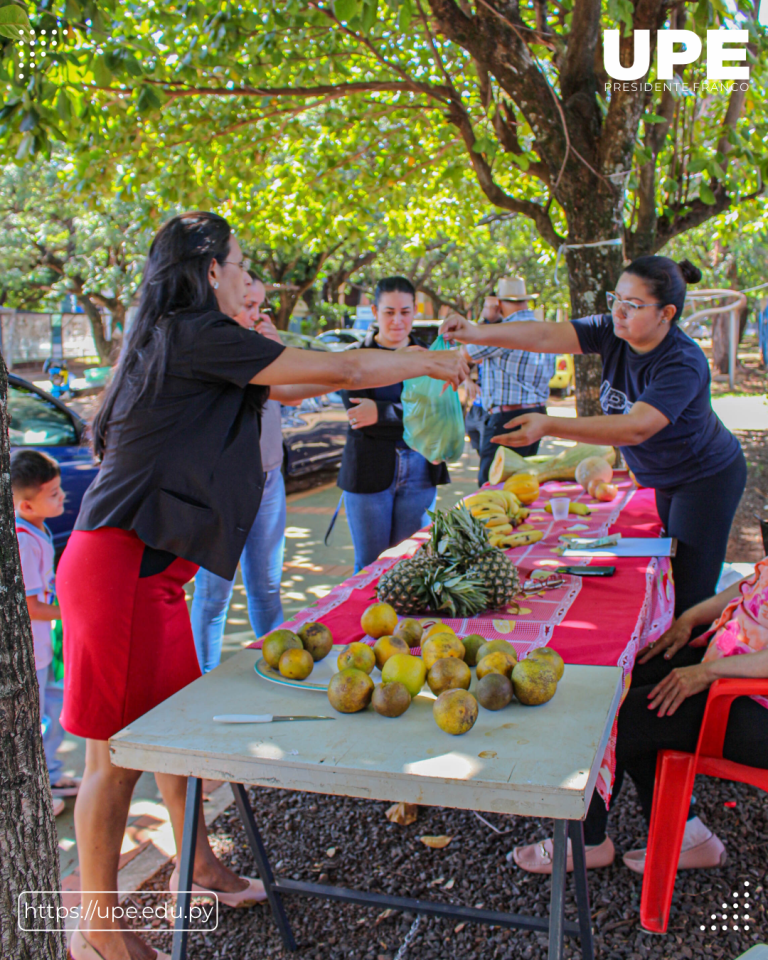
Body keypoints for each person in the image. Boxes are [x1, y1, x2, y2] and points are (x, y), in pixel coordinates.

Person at [56, 213, 466, 960]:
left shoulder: (196, 341)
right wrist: (423, 364)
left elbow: (302, 378)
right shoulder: (192, 332)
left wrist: (393, 365)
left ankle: (200, 862)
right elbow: (339, 372)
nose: (254, 279)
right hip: (118, 568)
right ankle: (98, 925)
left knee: (176, 740)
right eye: (242, 265)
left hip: (148, 573)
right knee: (109, 760)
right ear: (210, 269)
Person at [441, 256, 747, 618]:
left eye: (632, 305)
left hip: (705, 478)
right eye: (616, 299)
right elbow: (543, 335)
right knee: (669, 572)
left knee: (690, 593)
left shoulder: (683, 361)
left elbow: (635, 427)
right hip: (664, 477)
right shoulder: (611, 332)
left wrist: (549, 424)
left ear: (666, 313)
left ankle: (689, 668)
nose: (619, 311)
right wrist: (477, 333)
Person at [511, 557, 768, 874]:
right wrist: (689, 619)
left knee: (616, 721)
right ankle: (687, 834)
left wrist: (706, 672)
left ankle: (584, 842)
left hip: (753, 704)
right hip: (729, 669)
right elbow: (753, 585)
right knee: (623, 680)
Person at [190, 275, 286, 672]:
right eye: (248, 305)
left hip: (268, 480)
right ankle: (202, 679)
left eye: (261, 307)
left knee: (266, 589)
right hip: (220, 489)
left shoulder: (266, 350)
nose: (256, 316)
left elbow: (292, 390)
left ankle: (282, 667)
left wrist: (277, 349)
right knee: (213, 594)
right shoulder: (216, 348)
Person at [338, 276, 452, 573]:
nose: (398, 320)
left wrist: (382, 412)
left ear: (416, 310)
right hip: (368, 471)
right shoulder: (355, 358)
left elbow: (439, 415)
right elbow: (358, 416)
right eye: (389, 312)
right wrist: (412, 414)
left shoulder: (432, 358)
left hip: (420, 471)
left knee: (411, 565)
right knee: (370, 567)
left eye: (405, 311)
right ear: (375, 312)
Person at [11, 449, 81, 817]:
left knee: (52, 707)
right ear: (26, 505)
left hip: (45, 645)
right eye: (53, 494)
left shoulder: (37, 527)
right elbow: (31, 607)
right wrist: (78, 613)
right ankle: (29, 799)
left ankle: (50, 774)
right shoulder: (21, 541)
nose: (62, 497)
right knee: (29, 722)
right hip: (30, 650)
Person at [464, 278, 556, 486]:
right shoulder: (545, 329)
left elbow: (469, 351)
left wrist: (487, 319)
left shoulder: (503, 331)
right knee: (523, 482)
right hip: (539, 413)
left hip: (507, 417)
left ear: (499, 304)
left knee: (491, 484)